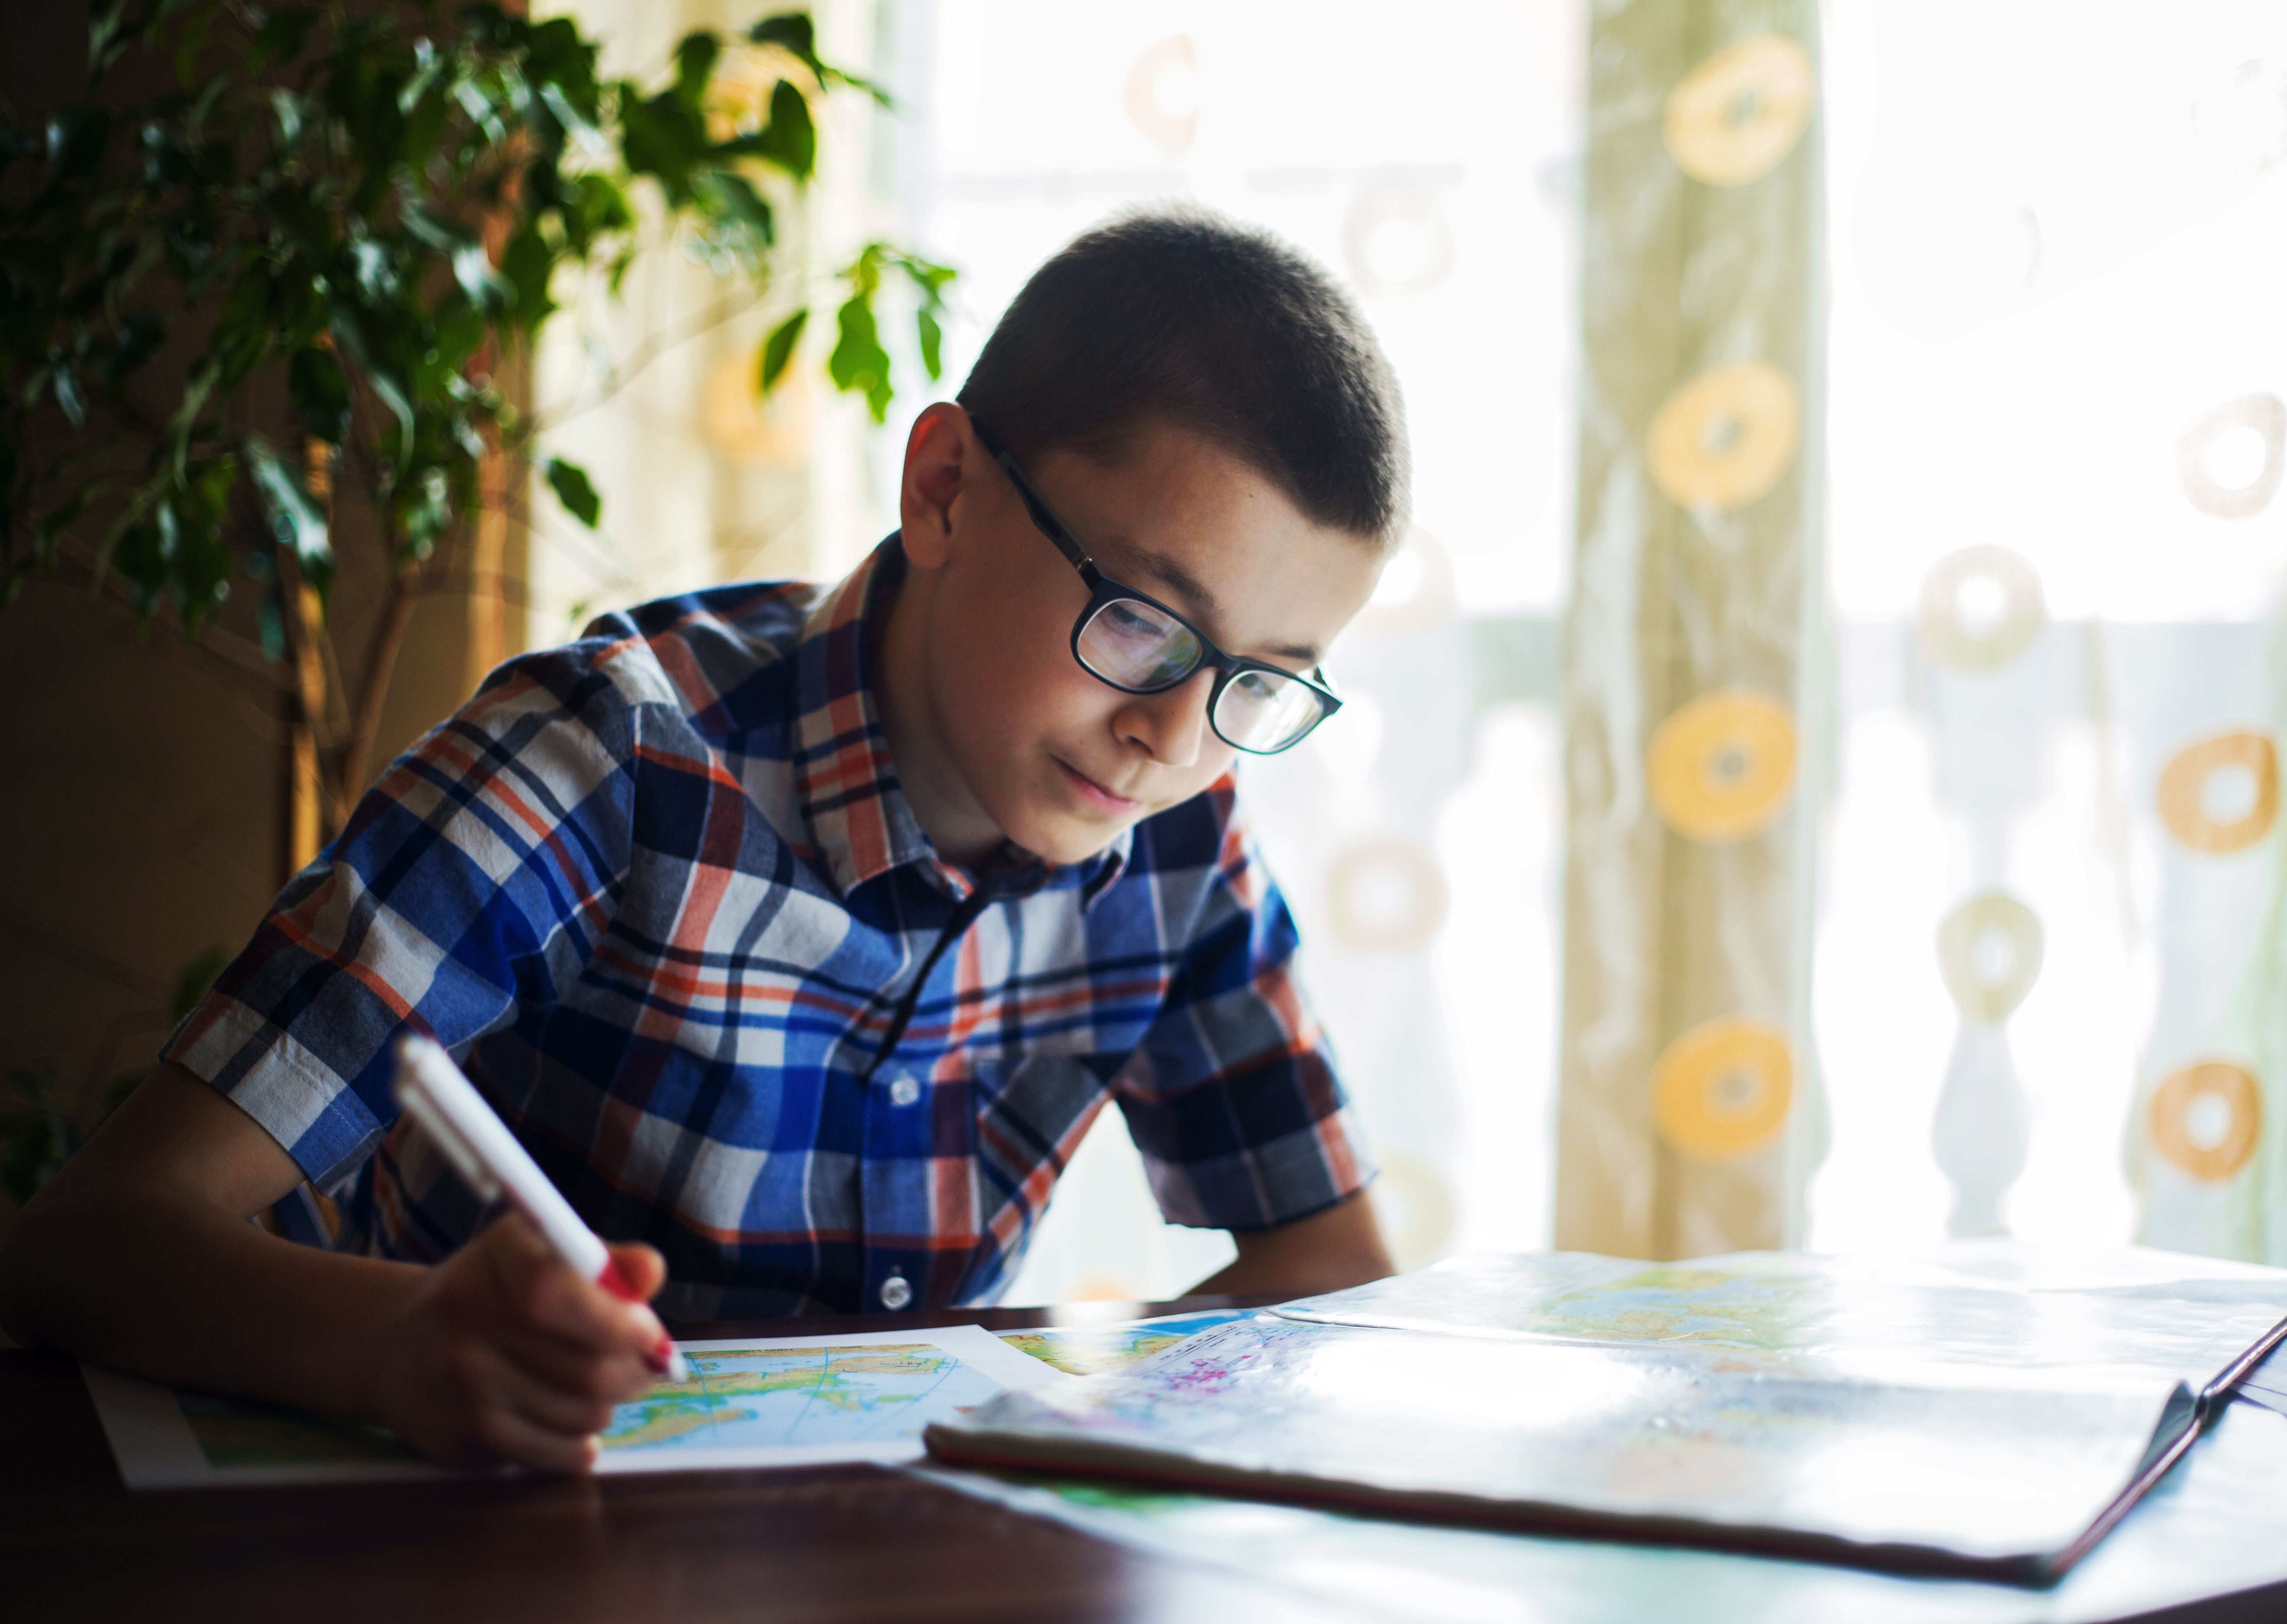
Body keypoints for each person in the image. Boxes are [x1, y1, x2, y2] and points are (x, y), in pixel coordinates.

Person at [0, 206, 1404, 1472]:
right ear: (946, 491)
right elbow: (87, 1243)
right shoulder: (607, 757)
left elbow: (1330, 1261)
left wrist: (1050, 1412)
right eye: (1144, 623)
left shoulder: (1174, 834)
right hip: (456, 1527)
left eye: (1259, 683)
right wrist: (398, 1342)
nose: (1173, 735)